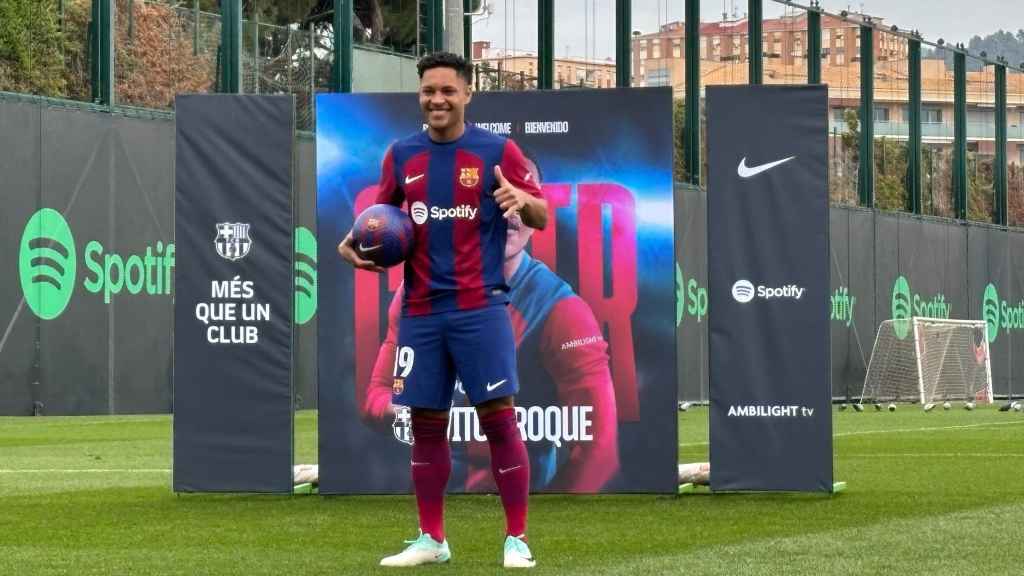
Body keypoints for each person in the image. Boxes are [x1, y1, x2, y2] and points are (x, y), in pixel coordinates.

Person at [337, 51, 547, 569]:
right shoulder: (402, 155)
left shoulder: (498, 151)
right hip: (421, 313)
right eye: (429, 91)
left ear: (467, 94)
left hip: (481, 309)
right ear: (421, 95)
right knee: (427, 423)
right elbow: (373, 223)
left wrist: (521, 199)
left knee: (499, 420)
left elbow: (541, 213)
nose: (437, 99)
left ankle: (516, 539)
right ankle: (432, 538)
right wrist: (351, 249)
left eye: (448, 91)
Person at [359, 212, 620, 494]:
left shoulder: (561, 311)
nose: (508, 214)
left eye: (521, 201)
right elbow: (377, 395)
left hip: (519, 501)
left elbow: (599, 452)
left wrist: (548, 519)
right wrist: (407, 413)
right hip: (432, 500)